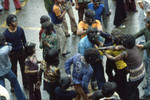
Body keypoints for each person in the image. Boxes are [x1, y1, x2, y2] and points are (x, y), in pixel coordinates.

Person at [103, 34, 145, 100]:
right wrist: (105, 48)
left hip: (136, 76)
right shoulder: (133, 46)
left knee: (128, 92)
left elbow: (114, 58)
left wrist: (105, 53)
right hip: (142, 71)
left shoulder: (125, 53)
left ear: (126, 44)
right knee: (133, 88)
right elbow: (118, 47)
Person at [3, 14, 28, 91]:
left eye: (16, 20)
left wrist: (26, 52)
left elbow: (24, 41)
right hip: (12, 54)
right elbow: (5, 46)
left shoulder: (20, 30)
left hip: (21, 52)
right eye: (14, 21)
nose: (16, 22)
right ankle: (13, 85)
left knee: (24, 68)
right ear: (10, 23)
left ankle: (25, 83)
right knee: (13, 70)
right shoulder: (5, 34)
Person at [0, 34, 26, 100]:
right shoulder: (6, 49)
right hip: (7, 70)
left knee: (1, 89)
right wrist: (6, 43)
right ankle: (21, 98)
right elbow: (11, 46)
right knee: (15, 82)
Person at [133, 17, 150, 99]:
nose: (145, 24)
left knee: (149, 75)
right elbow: (137, 34)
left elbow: (144, 46)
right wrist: (129, 38)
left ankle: (148, 93)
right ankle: (148, 85)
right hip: (147, 53)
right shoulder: (146, 29)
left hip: (148, 51)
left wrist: (131, 44)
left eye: (147, 23)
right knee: (147, 71)